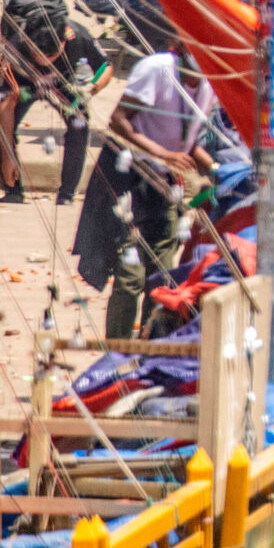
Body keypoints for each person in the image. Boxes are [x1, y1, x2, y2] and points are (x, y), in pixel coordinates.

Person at [91, 44, 217, 336]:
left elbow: (189, 144)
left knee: (161, 277)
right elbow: (119, 120)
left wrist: (217, 170)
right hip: (133, 180)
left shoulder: (209, 86)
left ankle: (149, 346)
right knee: (131, 276)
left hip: (166, 188)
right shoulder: (157, 69)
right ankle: (118, 348)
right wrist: (163, 154)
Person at [0, 0, 101, 205]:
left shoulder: (79, 36)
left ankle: (67, 194)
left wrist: (91, 88)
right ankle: (13, 190)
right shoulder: (15, 50)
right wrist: (7, 156)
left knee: (80, 122)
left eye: (50, 55)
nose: (44, 60)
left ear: (63, 40)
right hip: (25, 83)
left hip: (65, 85)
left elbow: (106, 67)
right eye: (37, 54)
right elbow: (6, 105)